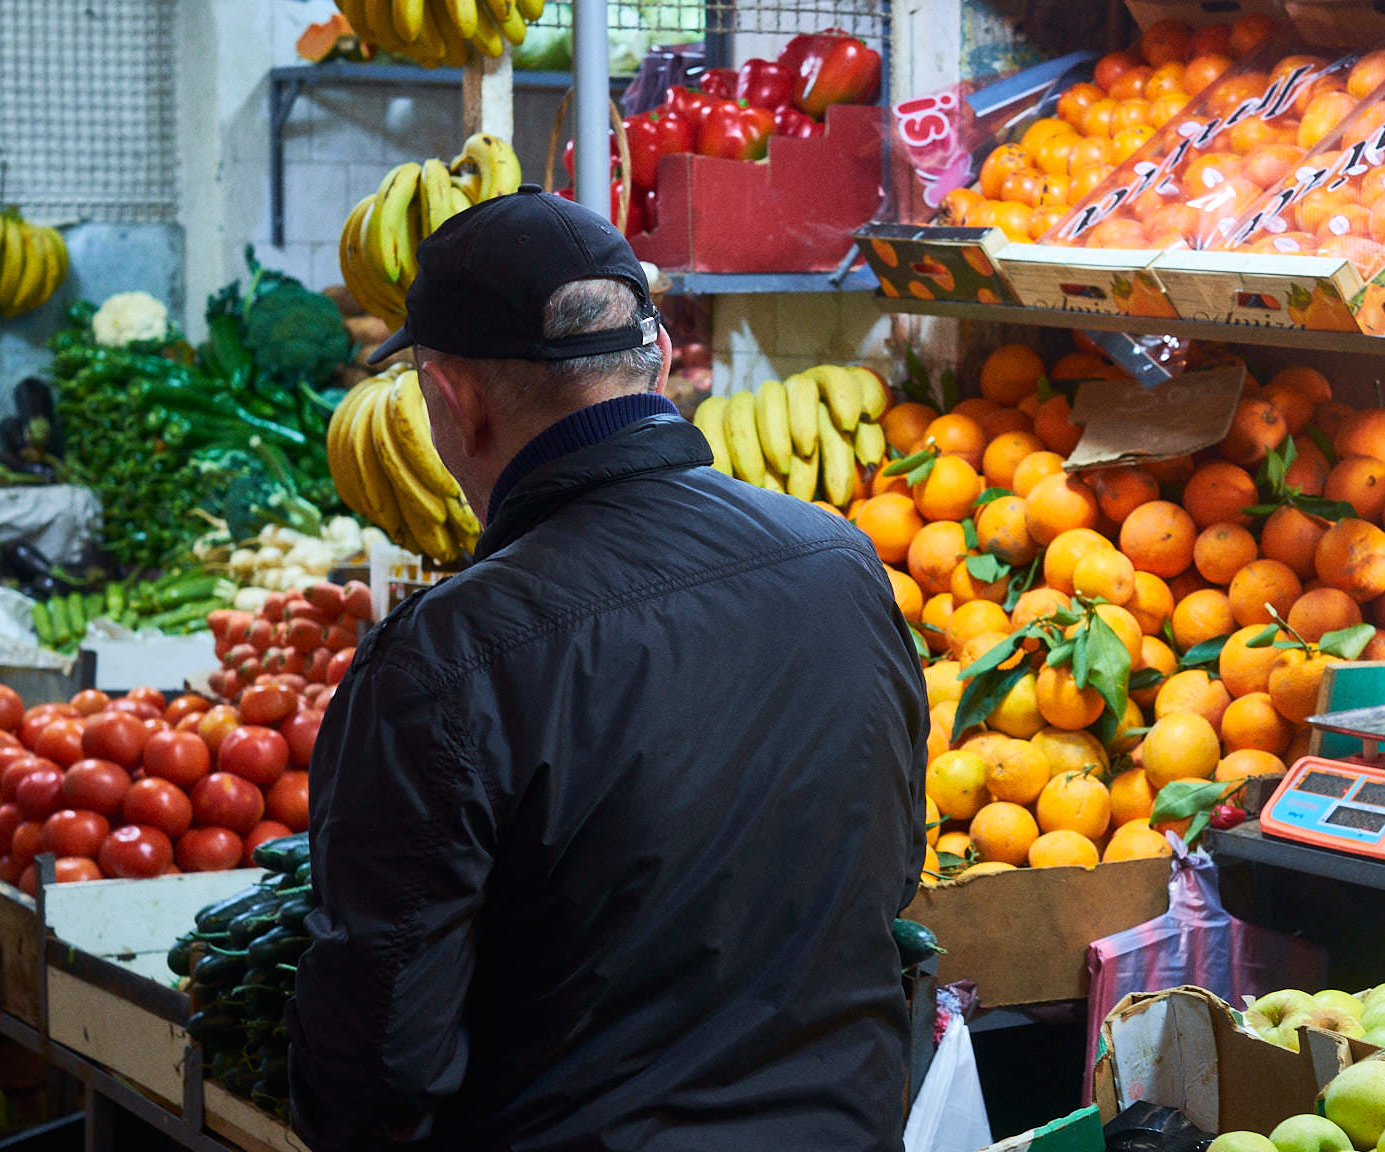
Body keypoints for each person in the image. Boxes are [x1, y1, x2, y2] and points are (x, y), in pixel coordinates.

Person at [287, 188, 929, 1152]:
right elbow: (893, 870)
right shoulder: (838, 561)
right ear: (658, 360)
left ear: (451, 400)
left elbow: (379, 1066)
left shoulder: (448, 657)